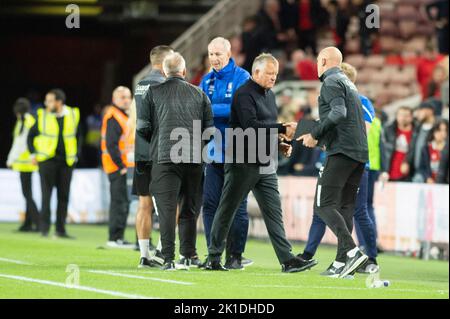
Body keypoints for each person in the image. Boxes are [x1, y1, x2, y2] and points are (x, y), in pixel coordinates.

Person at [206, 53, 317, 273]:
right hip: (242, 161)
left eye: (275, 74)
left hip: (265, 162)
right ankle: (213, 257)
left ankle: (287, 260)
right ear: (256, 72)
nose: (273, 78)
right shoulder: (243, 94)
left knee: (274, 212)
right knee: (227, 209)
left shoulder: (269, 95)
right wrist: (281, 129)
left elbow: (265, 126)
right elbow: (250, 127)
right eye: (269, 73)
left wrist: (278, 142)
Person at [299, 62, 379, 276]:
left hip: (346, 156)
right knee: (341, 209)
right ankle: (340, 262)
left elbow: (361, 127)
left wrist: (316, 135)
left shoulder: (357, 100)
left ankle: (361, 255)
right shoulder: (349, 97)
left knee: (338, 208)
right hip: (349, 156)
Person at [137, 52, 215, 271]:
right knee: (190, 209)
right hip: (194, 159)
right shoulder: (199, 94)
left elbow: (142, 128)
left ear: (164, 71)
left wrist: (158, 140)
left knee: (167, 210)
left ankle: (168, 258)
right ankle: (188, 254)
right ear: (183, 71)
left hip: (164, 158)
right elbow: (209, 131)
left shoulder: (152, 92)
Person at [199, 37, 252, 270]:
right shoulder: (206, 79)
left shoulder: (242, 77)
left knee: (237, 205)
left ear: (229, 54)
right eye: (211, 54)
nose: (214, 58)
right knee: (210, 204)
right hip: (213, 150)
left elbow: (240, 110)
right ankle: (214, 254)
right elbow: (198, 110)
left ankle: (235, 255)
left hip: (238, 150)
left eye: (218, 54)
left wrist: (211, 109)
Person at [128, 45, 174, 268]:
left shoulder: (141, 84)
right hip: (160, 152)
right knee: (171, 204)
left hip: (142, 151)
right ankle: (162, 252)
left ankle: (144, 256)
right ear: (165, 61)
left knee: (144, 204)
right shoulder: (164, 84)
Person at [27, 89, 80, 238]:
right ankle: (44, 229)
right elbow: (30, 136)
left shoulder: (73, 114)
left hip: (67, 162)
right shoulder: (42, 116)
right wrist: (33, 154)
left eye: (49, 100)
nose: (46, 103)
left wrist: (77, 155)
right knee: (46, 195)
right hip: (47, 161)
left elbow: (79, 135)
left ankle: (60, 230)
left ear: (59, 102)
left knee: (64, 197)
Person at [101, 86, 134, 248]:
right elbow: (111, 145)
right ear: (114, 100)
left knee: (123, 202)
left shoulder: (122, 115)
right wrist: (121, 165)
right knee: (119, 202)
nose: (126, 100)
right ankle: (114, 237)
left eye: (128, 97)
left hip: (122, 166)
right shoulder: (114, 117)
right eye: (122, 97)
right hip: (117, 166)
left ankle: (118, 237)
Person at [6, 98, 39, 232]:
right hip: (28, 163)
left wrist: (10, 159)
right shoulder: (28, 120)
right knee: (28, 194)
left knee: (27, 194)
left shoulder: (25, 122)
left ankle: (38, 222)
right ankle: (28, 223)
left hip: (25, 162)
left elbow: (20, 144)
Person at [383, 106, 416, 181]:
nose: (403, 118)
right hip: (389, 173)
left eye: (406, 116)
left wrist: (407, 162)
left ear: (411, 117)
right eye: (400, 115)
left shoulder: (416, 132)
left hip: (408, 174)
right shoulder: (388, 130)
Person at [411, 102, 437, 183]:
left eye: (421, 110)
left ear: (430, 111)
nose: (418, 113)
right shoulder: (417, 127)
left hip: (432, 172)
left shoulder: (438, 128)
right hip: (416, 170)